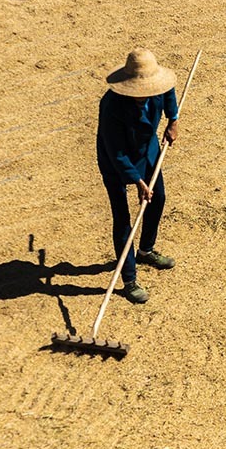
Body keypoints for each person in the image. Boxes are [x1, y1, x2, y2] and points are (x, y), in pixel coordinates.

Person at [97, 48, 179, 303]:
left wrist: (173, 120)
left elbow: (169, 94)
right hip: (116, 162)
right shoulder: (110, 105)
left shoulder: (159, 88)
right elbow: (116, 152)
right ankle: (129, 280)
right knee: (122, 218)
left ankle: (146, 250)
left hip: (147, 150)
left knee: (159, 198)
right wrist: (139, 181)